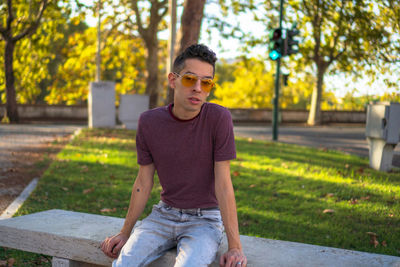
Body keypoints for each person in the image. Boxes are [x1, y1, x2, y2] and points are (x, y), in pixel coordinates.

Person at [101, 44, 247, 267]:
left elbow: (224, 185)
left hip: (205, 221)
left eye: (206, 82)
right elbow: (143, 181)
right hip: (163, 216)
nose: (198, 88)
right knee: (123, 264)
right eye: (190, 79)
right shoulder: (149, 122)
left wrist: (235, 246)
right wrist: (124, 232)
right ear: (173, 80)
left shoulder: (218, 118)